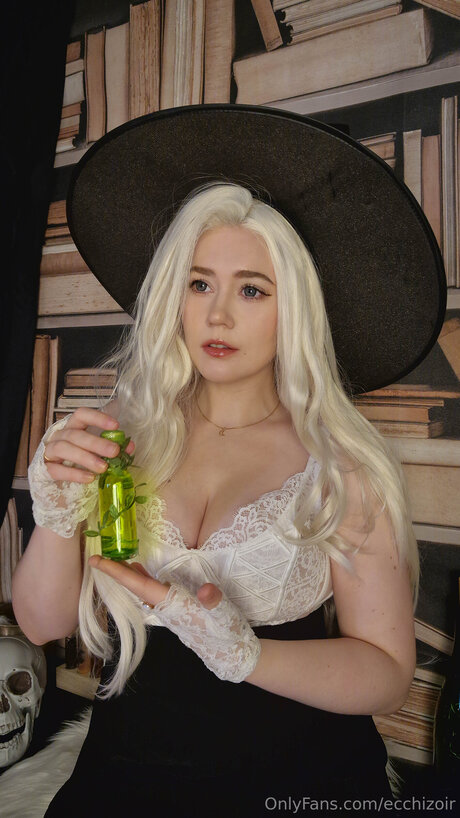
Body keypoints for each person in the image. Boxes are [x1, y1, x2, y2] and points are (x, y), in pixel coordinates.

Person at [11, 105, 445, 816]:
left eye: (251, 289)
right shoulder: (123, 435)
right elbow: (42, 624)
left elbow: (388, 673)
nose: (218, 316)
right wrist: (54, 515)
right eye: (199, 283)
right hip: (125, 774)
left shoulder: (340, 466)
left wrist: (249, 655)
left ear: (292, 307)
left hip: (296, 780)